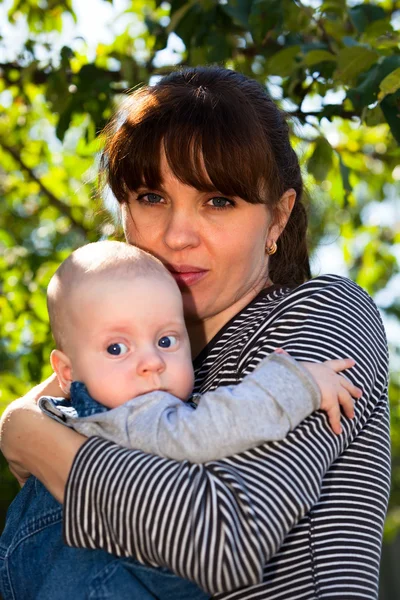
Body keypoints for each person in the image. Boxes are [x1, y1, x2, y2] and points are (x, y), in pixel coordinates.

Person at [0, 66, 390, 600]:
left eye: (218, 201)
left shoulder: (320, 312)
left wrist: (33, 441)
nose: (178, 236)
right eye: (151, 197)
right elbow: (33, 409)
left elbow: (223, 543)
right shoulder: (131, 354)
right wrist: (17, 422)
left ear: (277, 218)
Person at [0, 239, 358, 600]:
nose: (152, 361)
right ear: (67, 371)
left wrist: (22, 428)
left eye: (167, 340)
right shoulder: (136, 414)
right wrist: (295, 385)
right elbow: (208, 428)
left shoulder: (321, 309)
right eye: (116, 348)